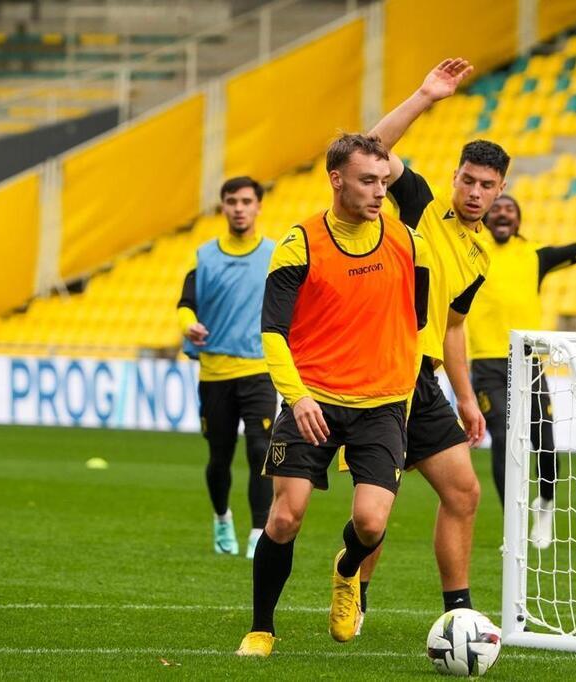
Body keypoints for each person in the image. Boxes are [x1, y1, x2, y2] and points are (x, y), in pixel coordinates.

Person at [235, 133, 431, 657]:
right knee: (284, 517)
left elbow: (420, 319)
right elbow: (273, 331)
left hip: (383, 404)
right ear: (336, 180)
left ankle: (346, 571)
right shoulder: (300, 243)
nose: (379, 192)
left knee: (371, 522)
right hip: (312, 399)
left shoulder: (407, 241)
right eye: (368, 181)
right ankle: (262, 628)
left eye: (384, 181)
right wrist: (297, 397)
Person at [357, 58, 502, 627]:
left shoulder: (479, 253)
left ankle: (458, 614)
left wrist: (466, 398)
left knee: (463, 493)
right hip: (383, 371)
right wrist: (425, 95)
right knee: (377, 508)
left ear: (500, 190)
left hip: (425, 377)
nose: (474, 191)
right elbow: (367, 149)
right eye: (467, 179)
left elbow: (454, 325)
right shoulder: (421, 206)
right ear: (455, 178)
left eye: (486, 185)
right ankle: (357, 591)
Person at [468, 186, 576, 549]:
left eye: (510, 209)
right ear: (485, 215)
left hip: (530, 363)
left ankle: (544, 504)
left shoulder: (535, 255)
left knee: (544, 443)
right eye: (497, 207)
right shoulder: (470, 250)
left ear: (518, 220)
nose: (503, 213)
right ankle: (513, 525)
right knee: (502, 438)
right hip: (487, 363)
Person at [177, 176, 276, 559]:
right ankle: (222, 517)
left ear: (258, 206)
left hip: (259, 370)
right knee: (219, 456)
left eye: (246, 201)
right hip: (215, 373)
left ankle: (257, 532)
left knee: (259, 449)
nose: (239, 208)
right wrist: (188, 323)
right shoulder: (204, 257)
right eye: (232, 201)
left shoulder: (274, 254)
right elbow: (185, 302)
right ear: (223, 207)